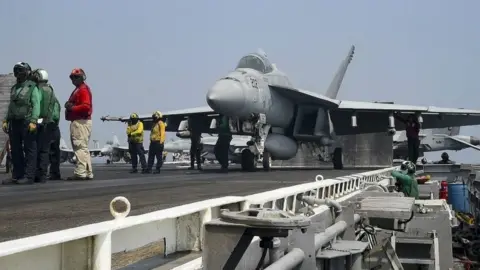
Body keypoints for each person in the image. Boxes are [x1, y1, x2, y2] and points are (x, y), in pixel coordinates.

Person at [2, 62, 41, 185]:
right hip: (14, 122)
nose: (18, 73)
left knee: (29, 149)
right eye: (16, 70)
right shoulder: (14, 88)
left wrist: (34, 120)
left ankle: (29, 176)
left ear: (27, 72)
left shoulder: (32, 87)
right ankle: (17, 175)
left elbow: (36, 105)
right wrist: (5, 120)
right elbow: (11, 106)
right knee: (15, 150)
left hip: (27, 121)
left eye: (20, 70)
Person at [31, 69, 60, 183]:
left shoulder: (38, 90)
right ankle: (53, 173)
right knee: (53, 151)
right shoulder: (51, 91)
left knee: (41, 149)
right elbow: (57, 109)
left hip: (42, 123)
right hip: (52, 124)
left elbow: (36, 106)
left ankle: (40, 174)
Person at [64, 68, 93, 180]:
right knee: (83, 147)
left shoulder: (82, 90)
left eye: (76, 77)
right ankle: (87, 172)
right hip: (81, 122)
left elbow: (86, 106)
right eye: (72, 77)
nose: (74, 79)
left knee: (79, 147)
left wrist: (72, 107)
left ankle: (80, 172)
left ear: (82, 77)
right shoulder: (79, 89)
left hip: (80, 122)